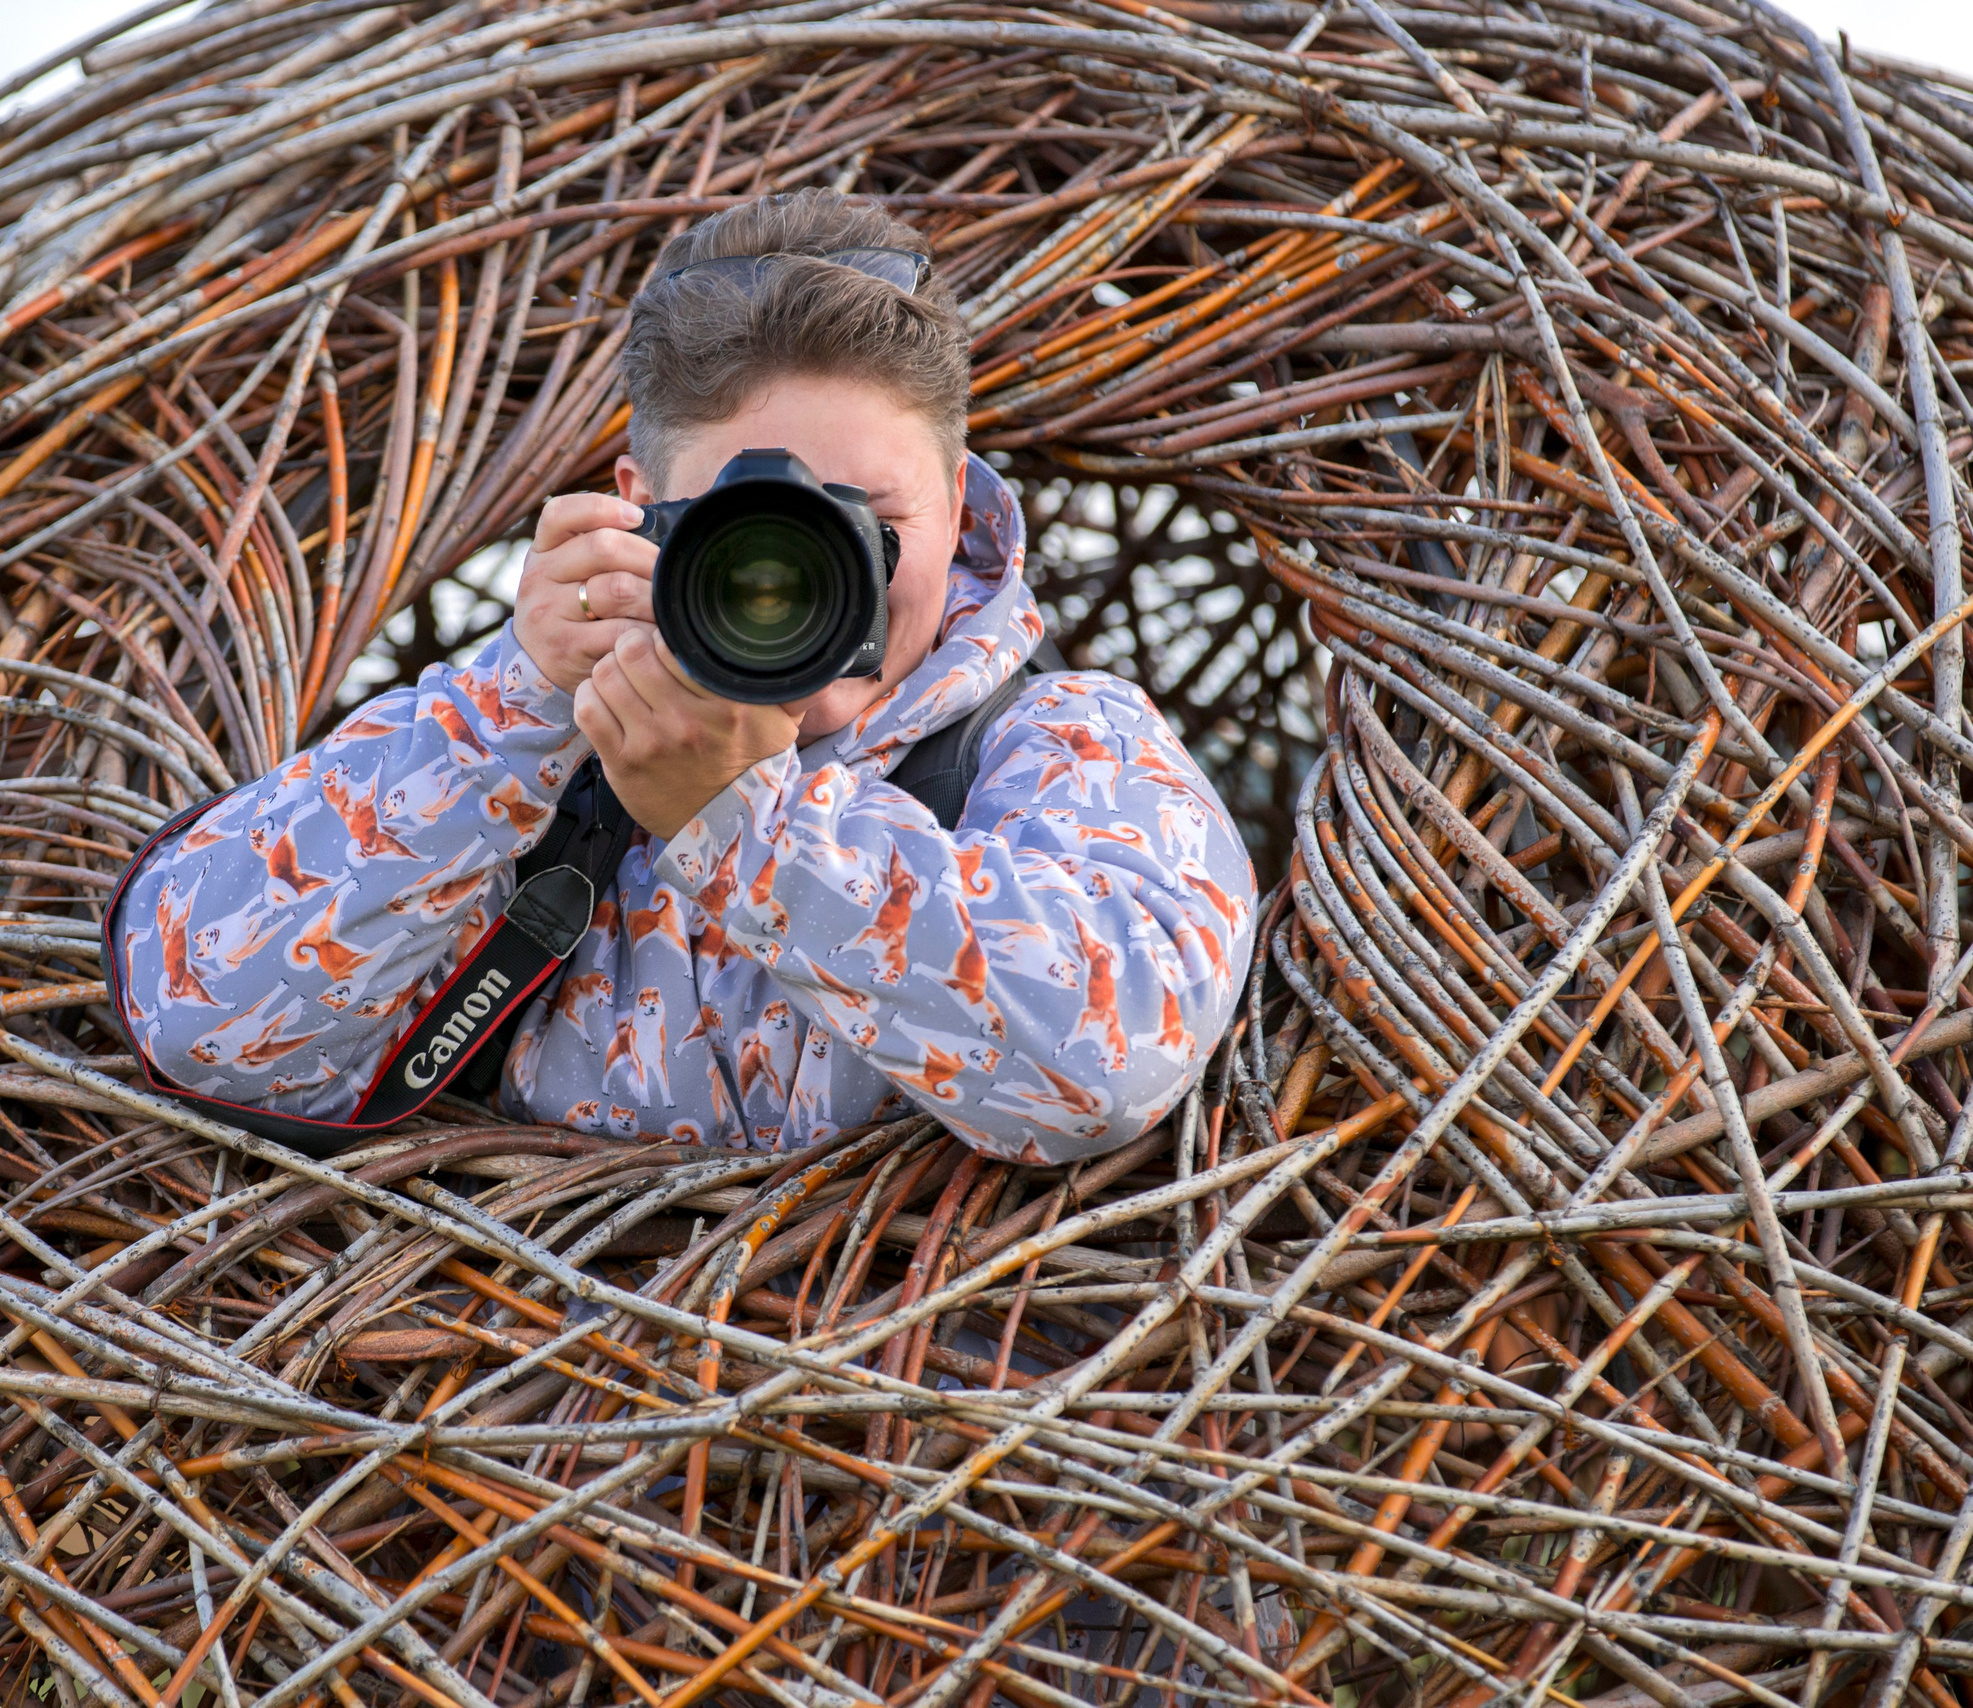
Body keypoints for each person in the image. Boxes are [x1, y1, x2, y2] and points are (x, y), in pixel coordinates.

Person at [104, 189, 1257, 1165]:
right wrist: (516, 706)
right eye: (742, 533)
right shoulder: (526, 762)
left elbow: (1109, 1065)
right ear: (631, 509)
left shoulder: (1066, 747)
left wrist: (743, 825)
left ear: (961, 504)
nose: (809, 582)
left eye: (874, 524)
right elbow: (198, 1016)